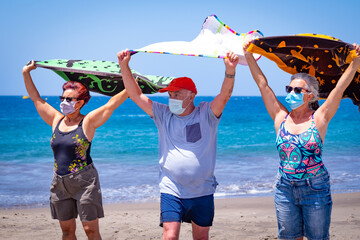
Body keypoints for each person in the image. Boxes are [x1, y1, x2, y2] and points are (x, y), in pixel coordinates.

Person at [243, 41, 360, 240]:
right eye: (289, 89)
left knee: (317, 237)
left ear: (311, 96)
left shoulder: (320, 117)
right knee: (288, 237)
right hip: (284, 188)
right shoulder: (280, 116)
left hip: (315, 188)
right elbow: (263, 84)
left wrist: (356, 61)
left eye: (298, 91)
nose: (291, 94)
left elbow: (339, 90)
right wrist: (248, 55)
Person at [117, 49, 239, 240]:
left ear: (191, 96)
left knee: (201, 237)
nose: (172, 98)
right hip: (171, 188)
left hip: (202, 190)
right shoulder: (162, 114)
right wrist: (124, 66)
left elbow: (224, 95)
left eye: (177, 94)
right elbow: (135, 95)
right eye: (170, 95)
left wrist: (230, 70)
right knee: (170, 236)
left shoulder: (206, 114)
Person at [22, 61, 128, 240]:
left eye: (69, 99)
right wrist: (26, 73)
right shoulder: (56, 120)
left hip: (85, 182)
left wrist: (131, 82)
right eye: (62, 98)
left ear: (80, 102)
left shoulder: (87, 122)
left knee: (90, 230)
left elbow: (111, 104)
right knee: (67, 231)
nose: (64, 102)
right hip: (59, 183)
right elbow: (36, 98)